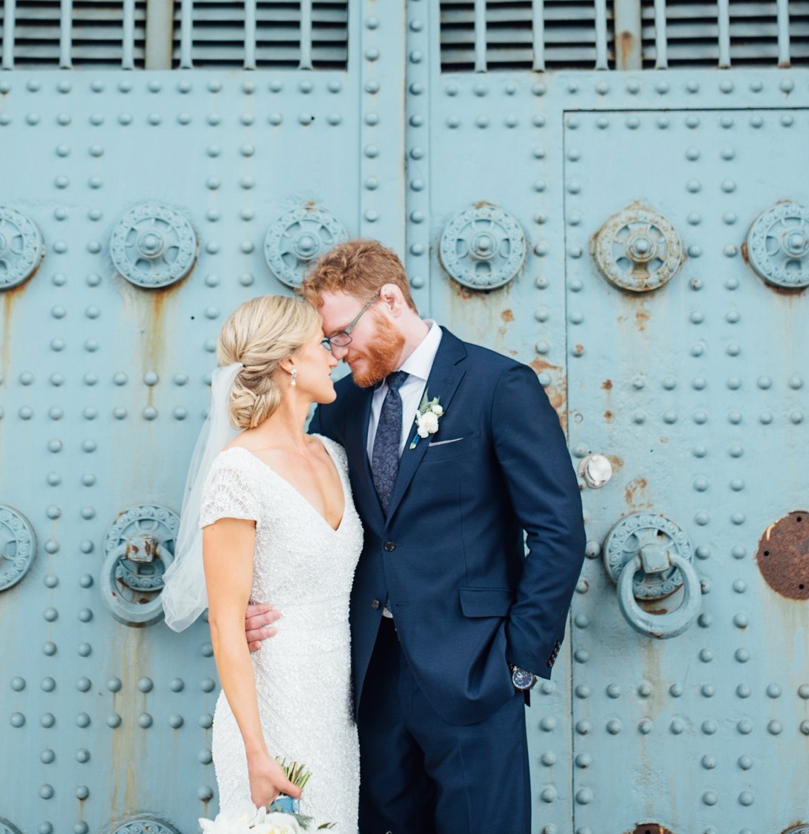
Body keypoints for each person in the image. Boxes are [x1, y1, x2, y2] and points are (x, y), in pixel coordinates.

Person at [247, 239, 587, 834]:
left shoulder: (497, 385)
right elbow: (316, 529)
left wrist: (519, 663)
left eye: (342, 334)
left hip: (476, 674)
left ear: (390, 301)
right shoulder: (339, 406)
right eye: (329, 342)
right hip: (366, 683)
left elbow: (558, 531)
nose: (335, 352)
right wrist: (255, 603)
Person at [162, 295, 364, 828]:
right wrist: (256, 751)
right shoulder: (237, 472)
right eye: (323, 344)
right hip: (272, 707)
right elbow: (226, 623)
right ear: (290, 362)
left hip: (338, 711)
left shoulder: (334, 456)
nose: (335, 356)